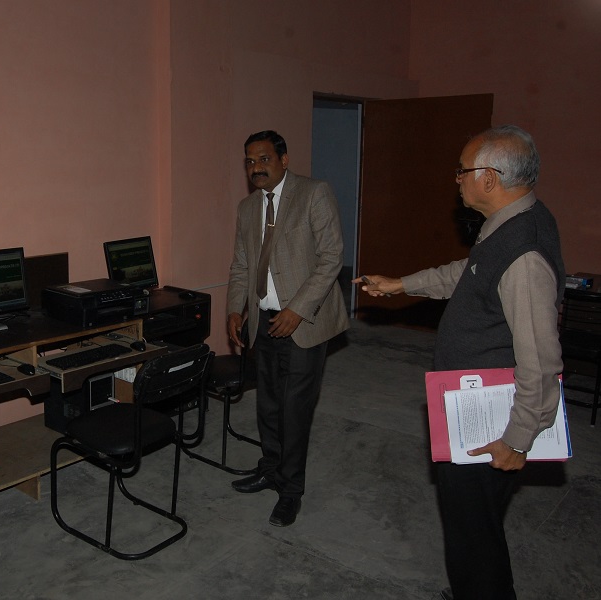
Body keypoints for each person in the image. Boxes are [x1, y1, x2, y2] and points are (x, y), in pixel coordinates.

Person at [355, 125, 564, 600]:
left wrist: (517, 438)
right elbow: (467, 274)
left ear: (489, 177)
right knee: (473, 525)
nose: (457, 179)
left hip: (491, 420)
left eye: (462, 170)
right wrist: (401, 284)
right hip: (470, 399)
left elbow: (541, 359)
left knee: (475, 535)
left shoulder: (523, 253)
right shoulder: (510, 222)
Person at [226, 130, 349, 527]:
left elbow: (331, 258)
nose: (255, 167)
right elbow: (242, 265)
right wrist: (235, 309)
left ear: (283, 159)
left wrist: (298, 309)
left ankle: (290, 490)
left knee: (294, 410)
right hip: (264, 321)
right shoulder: (248, 207)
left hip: (303, 322)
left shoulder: (314, 193)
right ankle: (270, 468)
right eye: (249, 161)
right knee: (268, 404)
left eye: (263, 159)